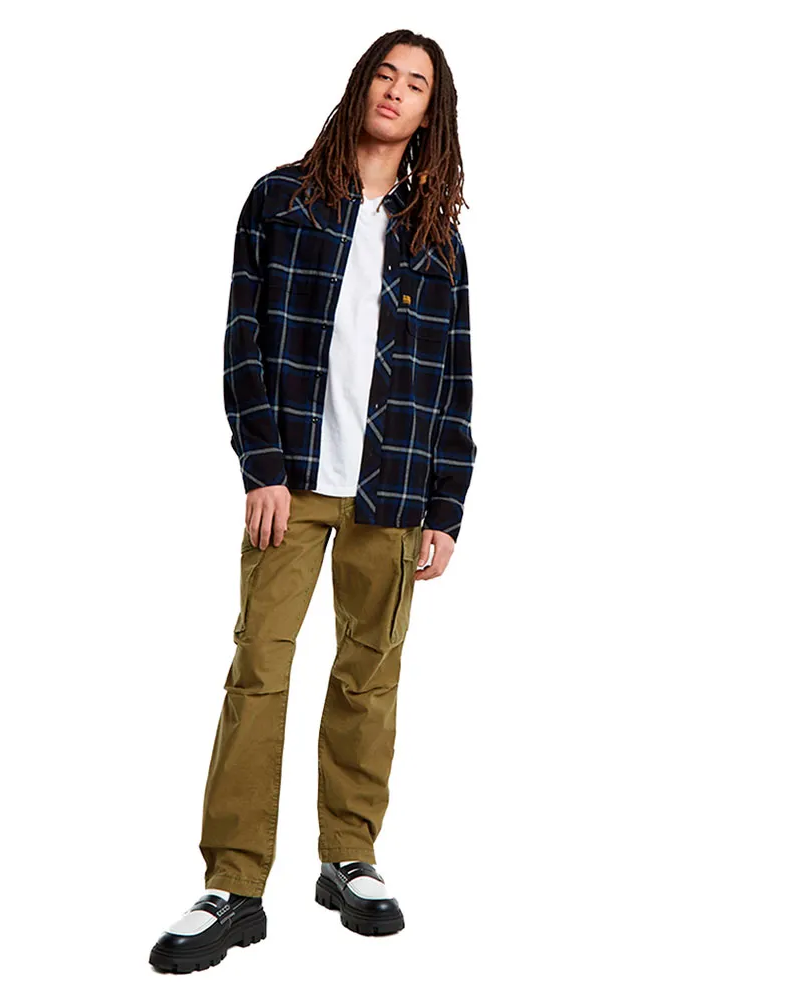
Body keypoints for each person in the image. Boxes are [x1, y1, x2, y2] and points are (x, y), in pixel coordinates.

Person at [149, 29, 476, 974]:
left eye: (417, 85)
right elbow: (241, 340)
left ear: (431, 114)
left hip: (395, 489)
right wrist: (260, 465)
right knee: (259, 670)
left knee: (370, 677)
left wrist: (446, 504)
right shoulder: (281, 199)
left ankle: (349, 858)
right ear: (362, 84)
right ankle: (234, 884)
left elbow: (455, 380)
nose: (396, 91)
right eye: (387, 74)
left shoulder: (436, 237)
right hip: (291, 483)